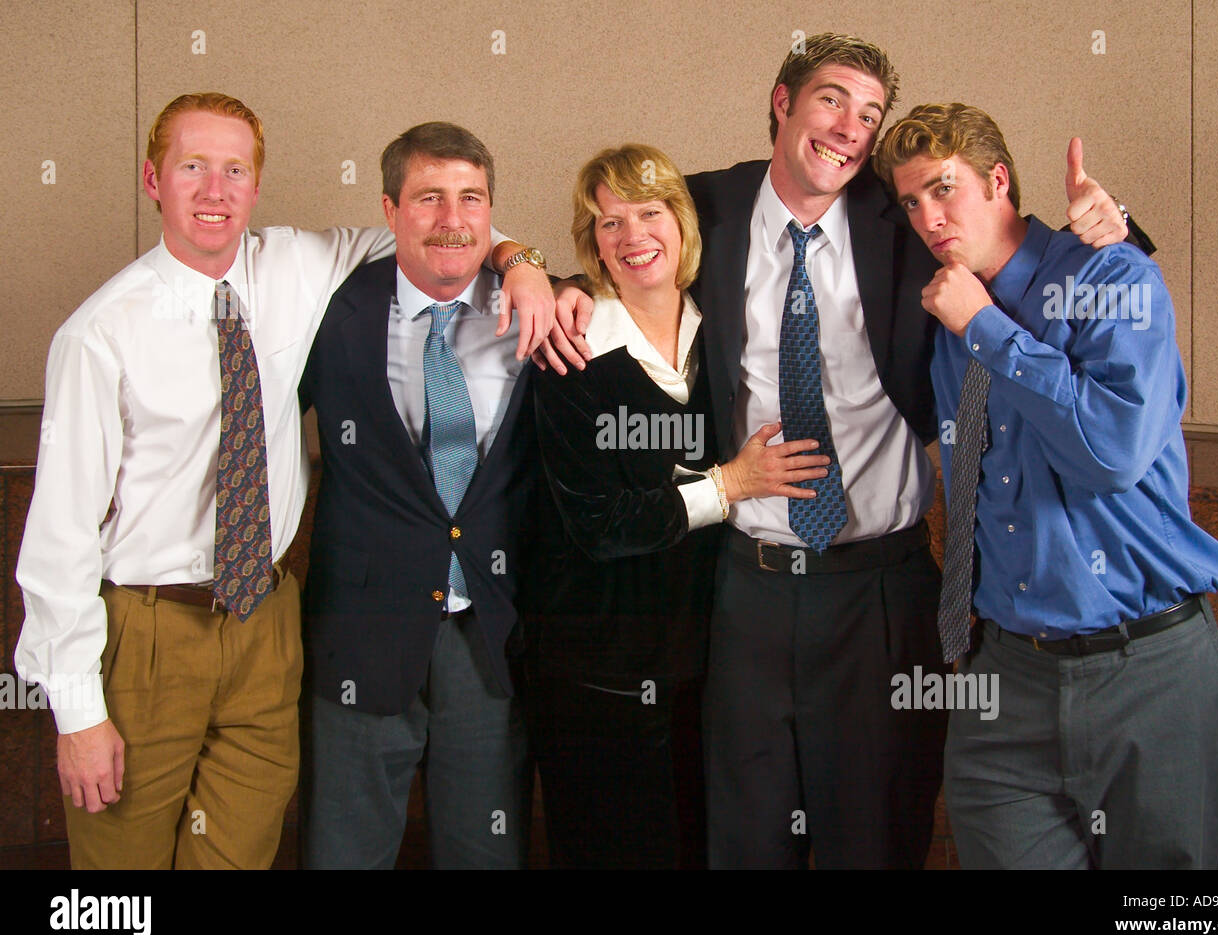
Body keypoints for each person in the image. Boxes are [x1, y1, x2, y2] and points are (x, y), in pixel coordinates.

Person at [556, 32, 1135, 868]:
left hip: (881, 591)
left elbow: (1018, 259)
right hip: (746, 587)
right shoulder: (704, 208)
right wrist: (535, 270)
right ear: (782, 101)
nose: (850, 128)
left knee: (874, 837)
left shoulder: (905, 220)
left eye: (869, 114)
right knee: (745, 841)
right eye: (832, 100)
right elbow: (617, 250)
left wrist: (1109, 235)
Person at [13, 93, 553, 869]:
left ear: (256, 185)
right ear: (152, 179)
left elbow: (446, 233)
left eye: (235, 170)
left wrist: (524, 264)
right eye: (192, 167)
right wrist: (76, 711)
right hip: (149, 629)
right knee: (121, 875)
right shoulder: (100, 334)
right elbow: (59, 533)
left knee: (239, 854)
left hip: (267, 619)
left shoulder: (298, 266)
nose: (215, 189)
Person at [873, 101, 1218, 868]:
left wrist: (989, 329)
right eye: (912, 202)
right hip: (1004, 680)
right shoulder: (948, 306)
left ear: (998, 180)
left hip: (1152, 673)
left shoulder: (1111, 274)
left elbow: (1109, 451)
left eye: (944, 189)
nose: (929, 217)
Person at [525, 144, 830, 868]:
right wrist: (728, 484)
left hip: (708, 667)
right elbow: (599, 526)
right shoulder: (571, 351)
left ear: (682, 223)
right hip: (594, 673)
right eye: (609, 222)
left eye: (649, 213)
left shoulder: (723, 332)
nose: (632, 237)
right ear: (591, 242)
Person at [299, 122, 547, 869]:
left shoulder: (539, 307)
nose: (453, 218)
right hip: (362, 632)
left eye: (472, 198)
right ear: (389, 208)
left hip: (492, 636)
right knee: (344, 850)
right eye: (429, 197)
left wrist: (526, 262)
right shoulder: (328, 308)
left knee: (485, 849)